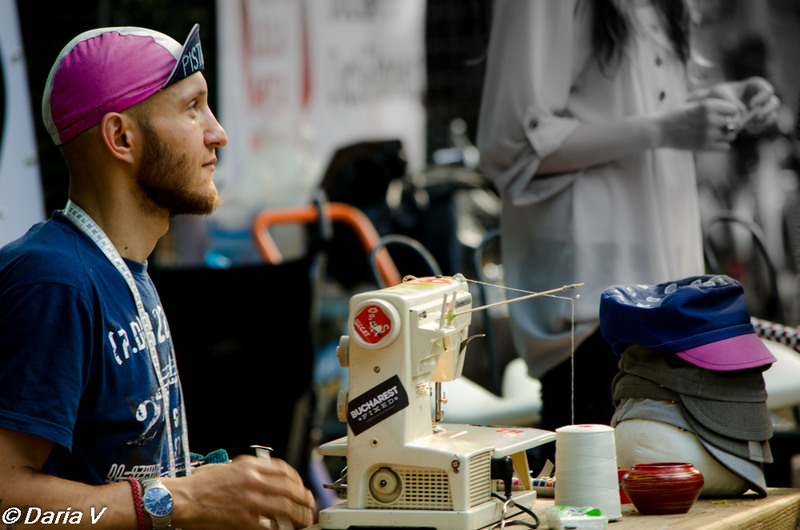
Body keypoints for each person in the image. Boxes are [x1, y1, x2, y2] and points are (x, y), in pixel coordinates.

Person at [0, 25, 316, 529]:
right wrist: (179, 499)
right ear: (121, 138)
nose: (218, 133)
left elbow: (109, 469)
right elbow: (7, 502)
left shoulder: (122, 268)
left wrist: (217, 487)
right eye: (193, 108)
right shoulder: (53, 282)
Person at [476, 0, 780, 445]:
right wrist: (666, 127)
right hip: (593, 299)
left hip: (667, 293)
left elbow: (632, 107)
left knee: (669, 477)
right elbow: (511, 144)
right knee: (603, 477)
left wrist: (710, 106)